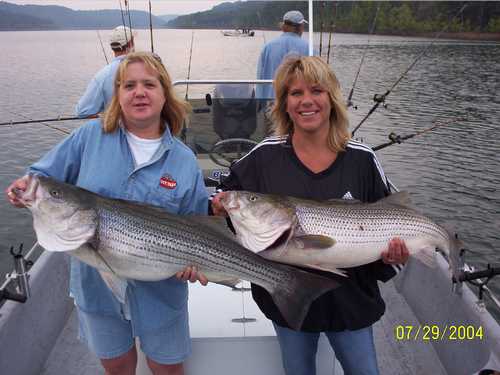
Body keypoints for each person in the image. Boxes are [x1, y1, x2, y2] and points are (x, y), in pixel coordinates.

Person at [6, 52, 208, 375]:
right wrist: (24, 188)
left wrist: (194, 264)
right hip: (96, 289)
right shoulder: (89, 138)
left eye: (148, 84)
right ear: (117, 95)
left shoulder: (184, 160)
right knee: (117, 368)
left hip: (162, 290)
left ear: (164, 93)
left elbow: (198, 224)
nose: (139, 92)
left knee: (168, 370)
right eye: (128, 85)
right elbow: (41, 177)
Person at [211, 56, 409, 375]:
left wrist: (391, 259)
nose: (306, 101)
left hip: (351, 303)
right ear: (284, 105)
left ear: (331, 99)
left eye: (316, 91)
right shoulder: (263, 157)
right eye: (295, 93)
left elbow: (397, 218)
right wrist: (218, 206)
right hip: (288, 301)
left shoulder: (362, 160)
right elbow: (222, 198)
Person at [75, 25, 136, 118]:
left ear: (112, 47)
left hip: (115, 130)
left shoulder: (103, 76)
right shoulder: (149, 68)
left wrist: (107, 119)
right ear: (131, 43)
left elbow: (82, 111)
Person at [256, 10, 309, 100]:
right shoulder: (309, 48)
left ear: (283, 26)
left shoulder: (267, 47)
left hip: (271, 104)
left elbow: (260, 77)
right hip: (299, 103)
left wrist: (259, 104)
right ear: (300, 27)